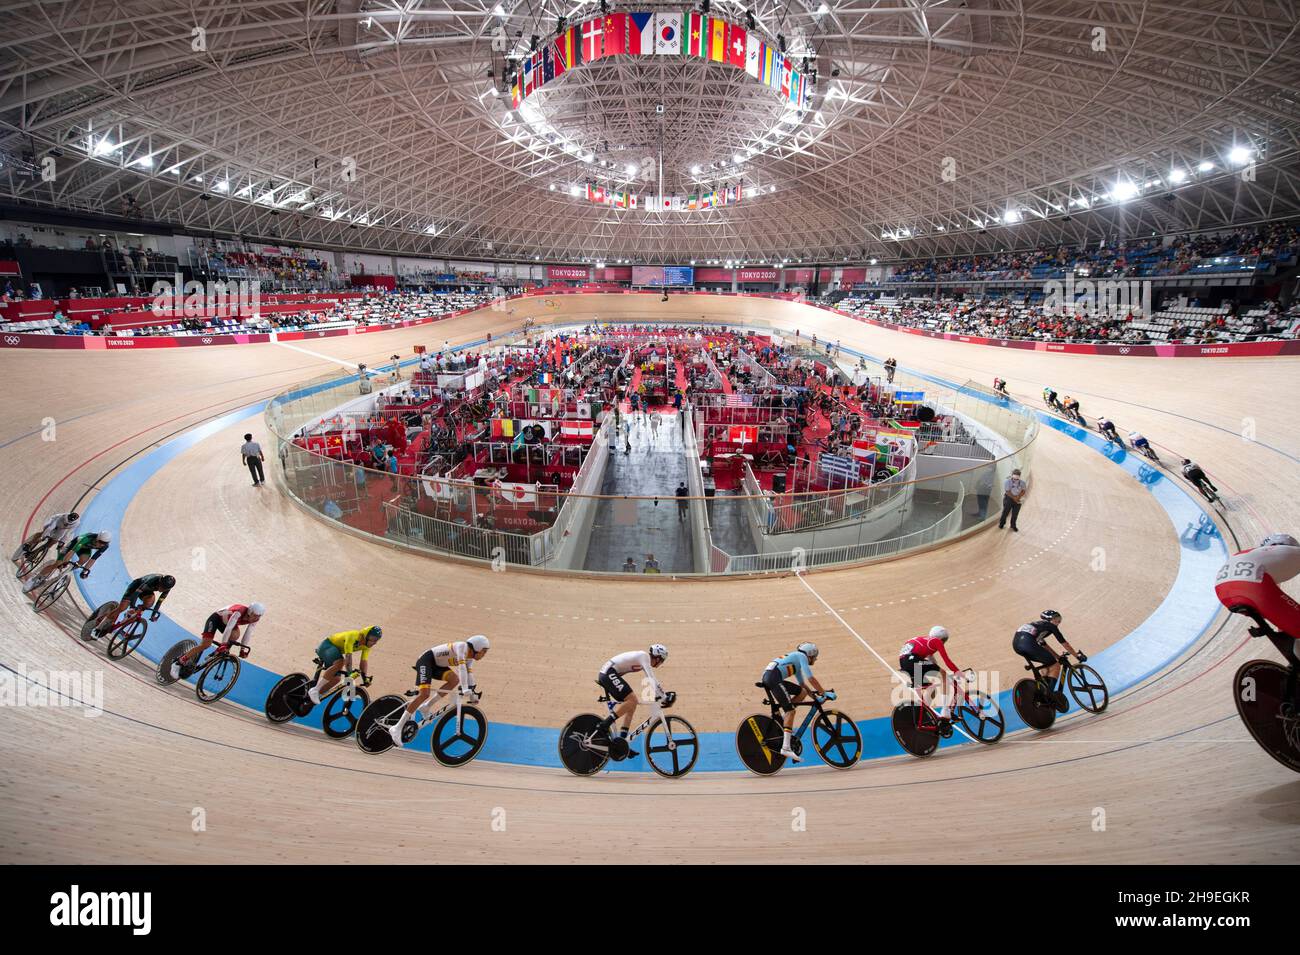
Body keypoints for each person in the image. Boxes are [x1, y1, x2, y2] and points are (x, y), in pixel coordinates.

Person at [1213, 534, 1300, 708]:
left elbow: (1277, 607)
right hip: (1253, 587)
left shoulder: (1252, 554)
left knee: (1293, 630)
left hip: (1224, 592)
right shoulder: (1293, 552)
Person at [389, 635, 491, 744]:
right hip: (426, 661)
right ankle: (397, 728)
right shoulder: (462, 647)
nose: (484, 655)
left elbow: (469, 674)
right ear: (477, 647)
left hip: (437, 666)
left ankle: (426, 706)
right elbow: (461, 669)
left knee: (454, 680)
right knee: (424, 694)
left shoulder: (470, 658)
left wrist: (472, 694)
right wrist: (465, 688)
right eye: (484, 651)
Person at [762, 642, 834, 761]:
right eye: (815, 657)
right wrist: (824, 693)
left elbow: (803, 684)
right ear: (810, 655)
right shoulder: (802, 657)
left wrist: (815, 698)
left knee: (802, 692)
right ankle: (786, 748)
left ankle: (785, 720)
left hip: (771, 677)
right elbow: (810, 678)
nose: (815, 660)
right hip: (773, 679)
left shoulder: (796, 660)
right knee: (791, 711)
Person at [596, 644, 669, 756]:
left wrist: (657, 694)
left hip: (608, 673)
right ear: (658, 658)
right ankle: (605, 725)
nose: (661, 664)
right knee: (632, 699)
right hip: (608, 673)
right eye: (662, 661)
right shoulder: (644, 656)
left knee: (631, 704)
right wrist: (664, 696)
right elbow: (651, 678)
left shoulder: (643, 660)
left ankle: (622, 744)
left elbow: (650, 681)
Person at [1011, 611, 1083, 710]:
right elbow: (1065, 643)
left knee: (1047, 663)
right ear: (1049, 620)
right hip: (1029, 644)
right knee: (1055, 665)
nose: (1058, 623)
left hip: (1017, 646)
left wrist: (1057, 657)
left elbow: (1044, 645)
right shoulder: (1050, 626)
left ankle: (1042, 688)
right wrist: (1077, 656)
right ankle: (1048, 694)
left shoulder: (1038, 626)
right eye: (1057, 620)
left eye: (1060, 621)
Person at [171, 603, 265, 678]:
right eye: (255, 615)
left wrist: (242, 649)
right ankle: (178, 662)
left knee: (235, 635)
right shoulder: (238, 612)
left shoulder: (255, 619)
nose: (257, 618)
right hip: (216, 619)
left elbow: (248, 633)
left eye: (259, 616)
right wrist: (223, 644)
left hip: (227, 622)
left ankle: (215, 654)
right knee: (206, 644)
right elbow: (228, 628)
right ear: (250, 612)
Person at [898, 626, 962, 723]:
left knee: (931, 689)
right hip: (914, 661)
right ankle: (945, 711)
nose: (944, 642)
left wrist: (939, 671)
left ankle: (922, 715)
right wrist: (957, 671)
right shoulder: (936, 641)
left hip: (906, 663)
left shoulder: (925, 641)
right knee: (944, 674)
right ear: (940, 638)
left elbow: (932, 662)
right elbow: (947, 660)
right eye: (944, 639)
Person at [90, 572, 176, 639]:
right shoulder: (153, 580)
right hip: (136, 587)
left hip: (146, 591)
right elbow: (136, 593)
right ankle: (97, 629)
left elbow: (159, 602)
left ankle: (128, 617)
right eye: (161, 587)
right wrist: (132, 606)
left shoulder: (167, 589)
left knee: (149, 603)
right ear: (160, 582)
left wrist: (154, 615)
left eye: (164, 589)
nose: (162, 590)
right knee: (122, 607)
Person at [309, 626, 383, 703]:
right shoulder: (353, 636)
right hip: (327, 646)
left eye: (377, 640)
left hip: (334, 653)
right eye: (373, 639)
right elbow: (348, 658)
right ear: (366, 635)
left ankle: (314, 697)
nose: (375, 642)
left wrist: (365, 678)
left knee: (336, 679)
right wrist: (350, 673)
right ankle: (315, 690)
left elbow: (363, 662)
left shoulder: (366, 647)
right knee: (341, 662)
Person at [23, 530, 111, 593]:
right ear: (97, 538)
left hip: (85, 550)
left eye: (104, 543)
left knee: (84, 560)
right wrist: (65, 561)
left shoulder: (104, 547)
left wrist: (85, 571)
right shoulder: (86, 538)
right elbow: (72, 552)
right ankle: (33, 579)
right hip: (73, 546)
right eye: (101, 542)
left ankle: (64, 573)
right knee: (58, 563)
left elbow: (93, 559)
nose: (102, 544)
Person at [12, 510, 80, 563]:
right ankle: (29, 543)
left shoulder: (76, 524)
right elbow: (51, 527)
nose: (67, 522)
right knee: (44, 533)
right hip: (54, 522)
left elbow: (67, 534)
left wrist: (61, 543)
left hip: (62, 529)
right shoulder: (62, 516)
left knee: (54, 541)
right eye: (68, 520)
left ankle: (34, 554)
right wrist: (43, 536)